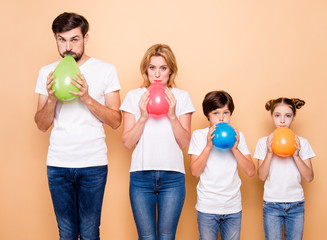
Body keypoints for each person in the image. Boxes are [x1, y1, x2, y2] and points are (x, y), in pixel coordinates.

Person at [34, 12, 121, 240]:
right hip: (58, 164)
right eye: (62, 40)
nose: (68, 47)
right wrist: (52, 98)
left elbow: (116, 120)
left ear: (85, 38)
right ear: (55, 39)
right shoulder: (47, 73)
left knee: (91, 233)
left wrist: (87, 98)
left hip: (93, 163)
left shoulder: (106, 70)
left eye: (74, 39)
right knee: (66, 233)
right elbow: (41, 125)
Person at [120, 43, 195, 240]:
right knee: (146, 238)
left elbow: (185, 142)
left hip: (173, 177)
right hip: (140, 177)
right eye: (152, 67)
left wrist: (172, 115)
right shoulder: (133, 96)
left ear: (171, 70)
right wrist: (143, 116)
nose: (157, 74)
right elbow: (127, 142)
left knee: (166, 237)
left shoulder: (181, 97)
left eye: (163, 68)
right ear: (146, 69)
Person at [188, 91, 255, 240]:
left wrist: (235, 148)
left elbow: (251, 171)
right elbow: (195, 172)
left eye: (226, 112)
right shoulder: (199, 136)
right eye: (215, 113)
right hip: (207, 206)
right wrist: (208, 147)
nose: (221, 117)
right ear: (208, 115)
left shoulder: (238, 136)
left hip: (233, 207)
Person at [254, 98, 315, 240]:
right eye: (277, 115)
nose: (282, 121)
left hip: (296, 204)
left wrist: (296, 155)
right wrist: (269, 152)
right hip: (272, 204)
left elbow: (309, 177)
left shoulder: (302, 143)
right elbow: (261, 176)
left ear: (294, 117)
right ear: (271, 116)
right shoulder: (263, 143)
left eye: (287, 116)